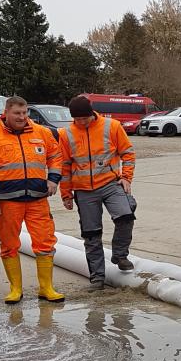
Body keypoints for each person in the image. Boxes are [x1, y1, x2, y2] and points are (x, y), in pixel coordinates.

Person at [0, 96, 64, 304]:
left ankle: (46, 288)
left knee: (45, 243)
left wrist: (53, 179)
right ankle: (16, 289)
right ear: (6, 113)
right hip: (7, 202)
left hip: (37, 199)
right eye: (17, 113)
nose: (22, 117)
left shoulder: (42, 133)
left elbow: (56, 156)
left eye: (25, 113)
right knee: (9, 245)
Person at [59, 95, 138, 290]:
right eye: (77, 120)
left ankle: (120, 254)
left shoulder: (111, 126)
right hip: (84, 190)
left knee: (126, 216)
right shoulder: (67, 134)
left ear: (92, 113)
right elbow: (65, 166)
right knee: (91, 234)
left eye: (84, 118)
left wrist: (126, 177)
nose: (82, 122)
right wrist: (66, 194)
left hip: (111, 183)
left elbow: (128, 153)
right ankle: (97, 277)